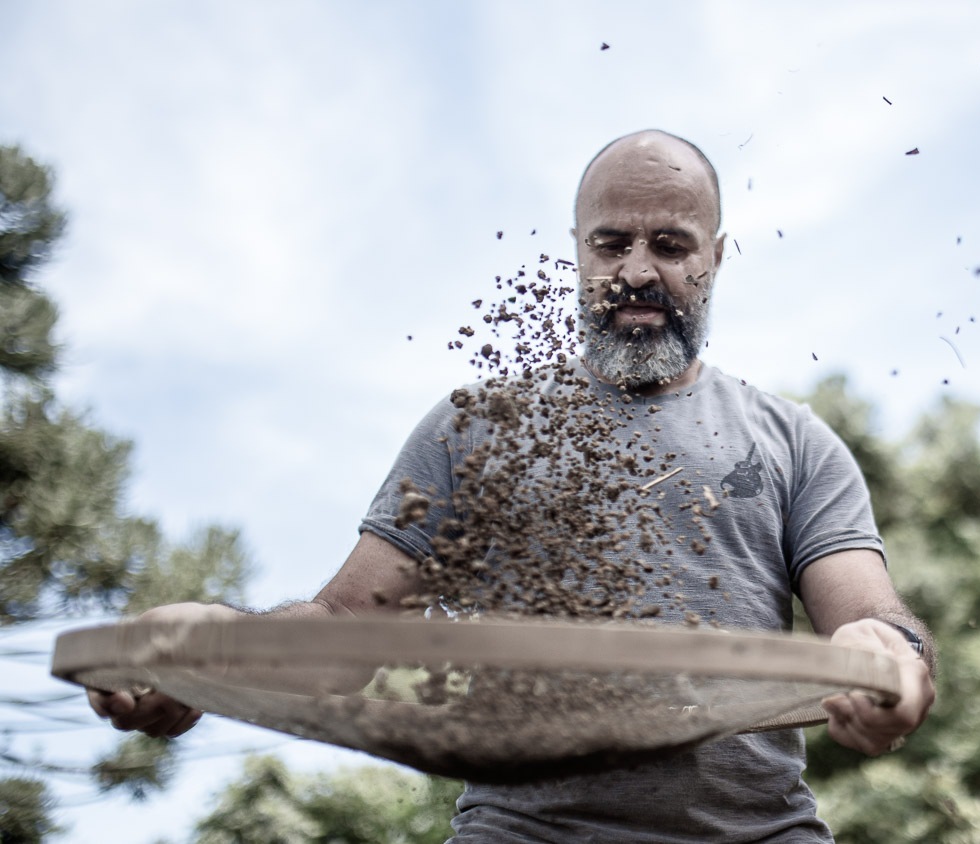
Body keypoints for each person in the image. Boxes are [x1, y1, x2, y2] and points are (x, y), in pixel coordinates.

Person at [89, 129, 936, 843]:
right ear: (577, 252)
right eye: (612, 243)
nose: (638, 270)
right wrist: (216, 641)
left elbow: (871, 616)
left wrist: (889, 659)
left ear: (716, 258)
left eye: (671, 245)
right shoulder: (476, 427)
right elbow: (348, 629)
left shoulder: (792, 442)